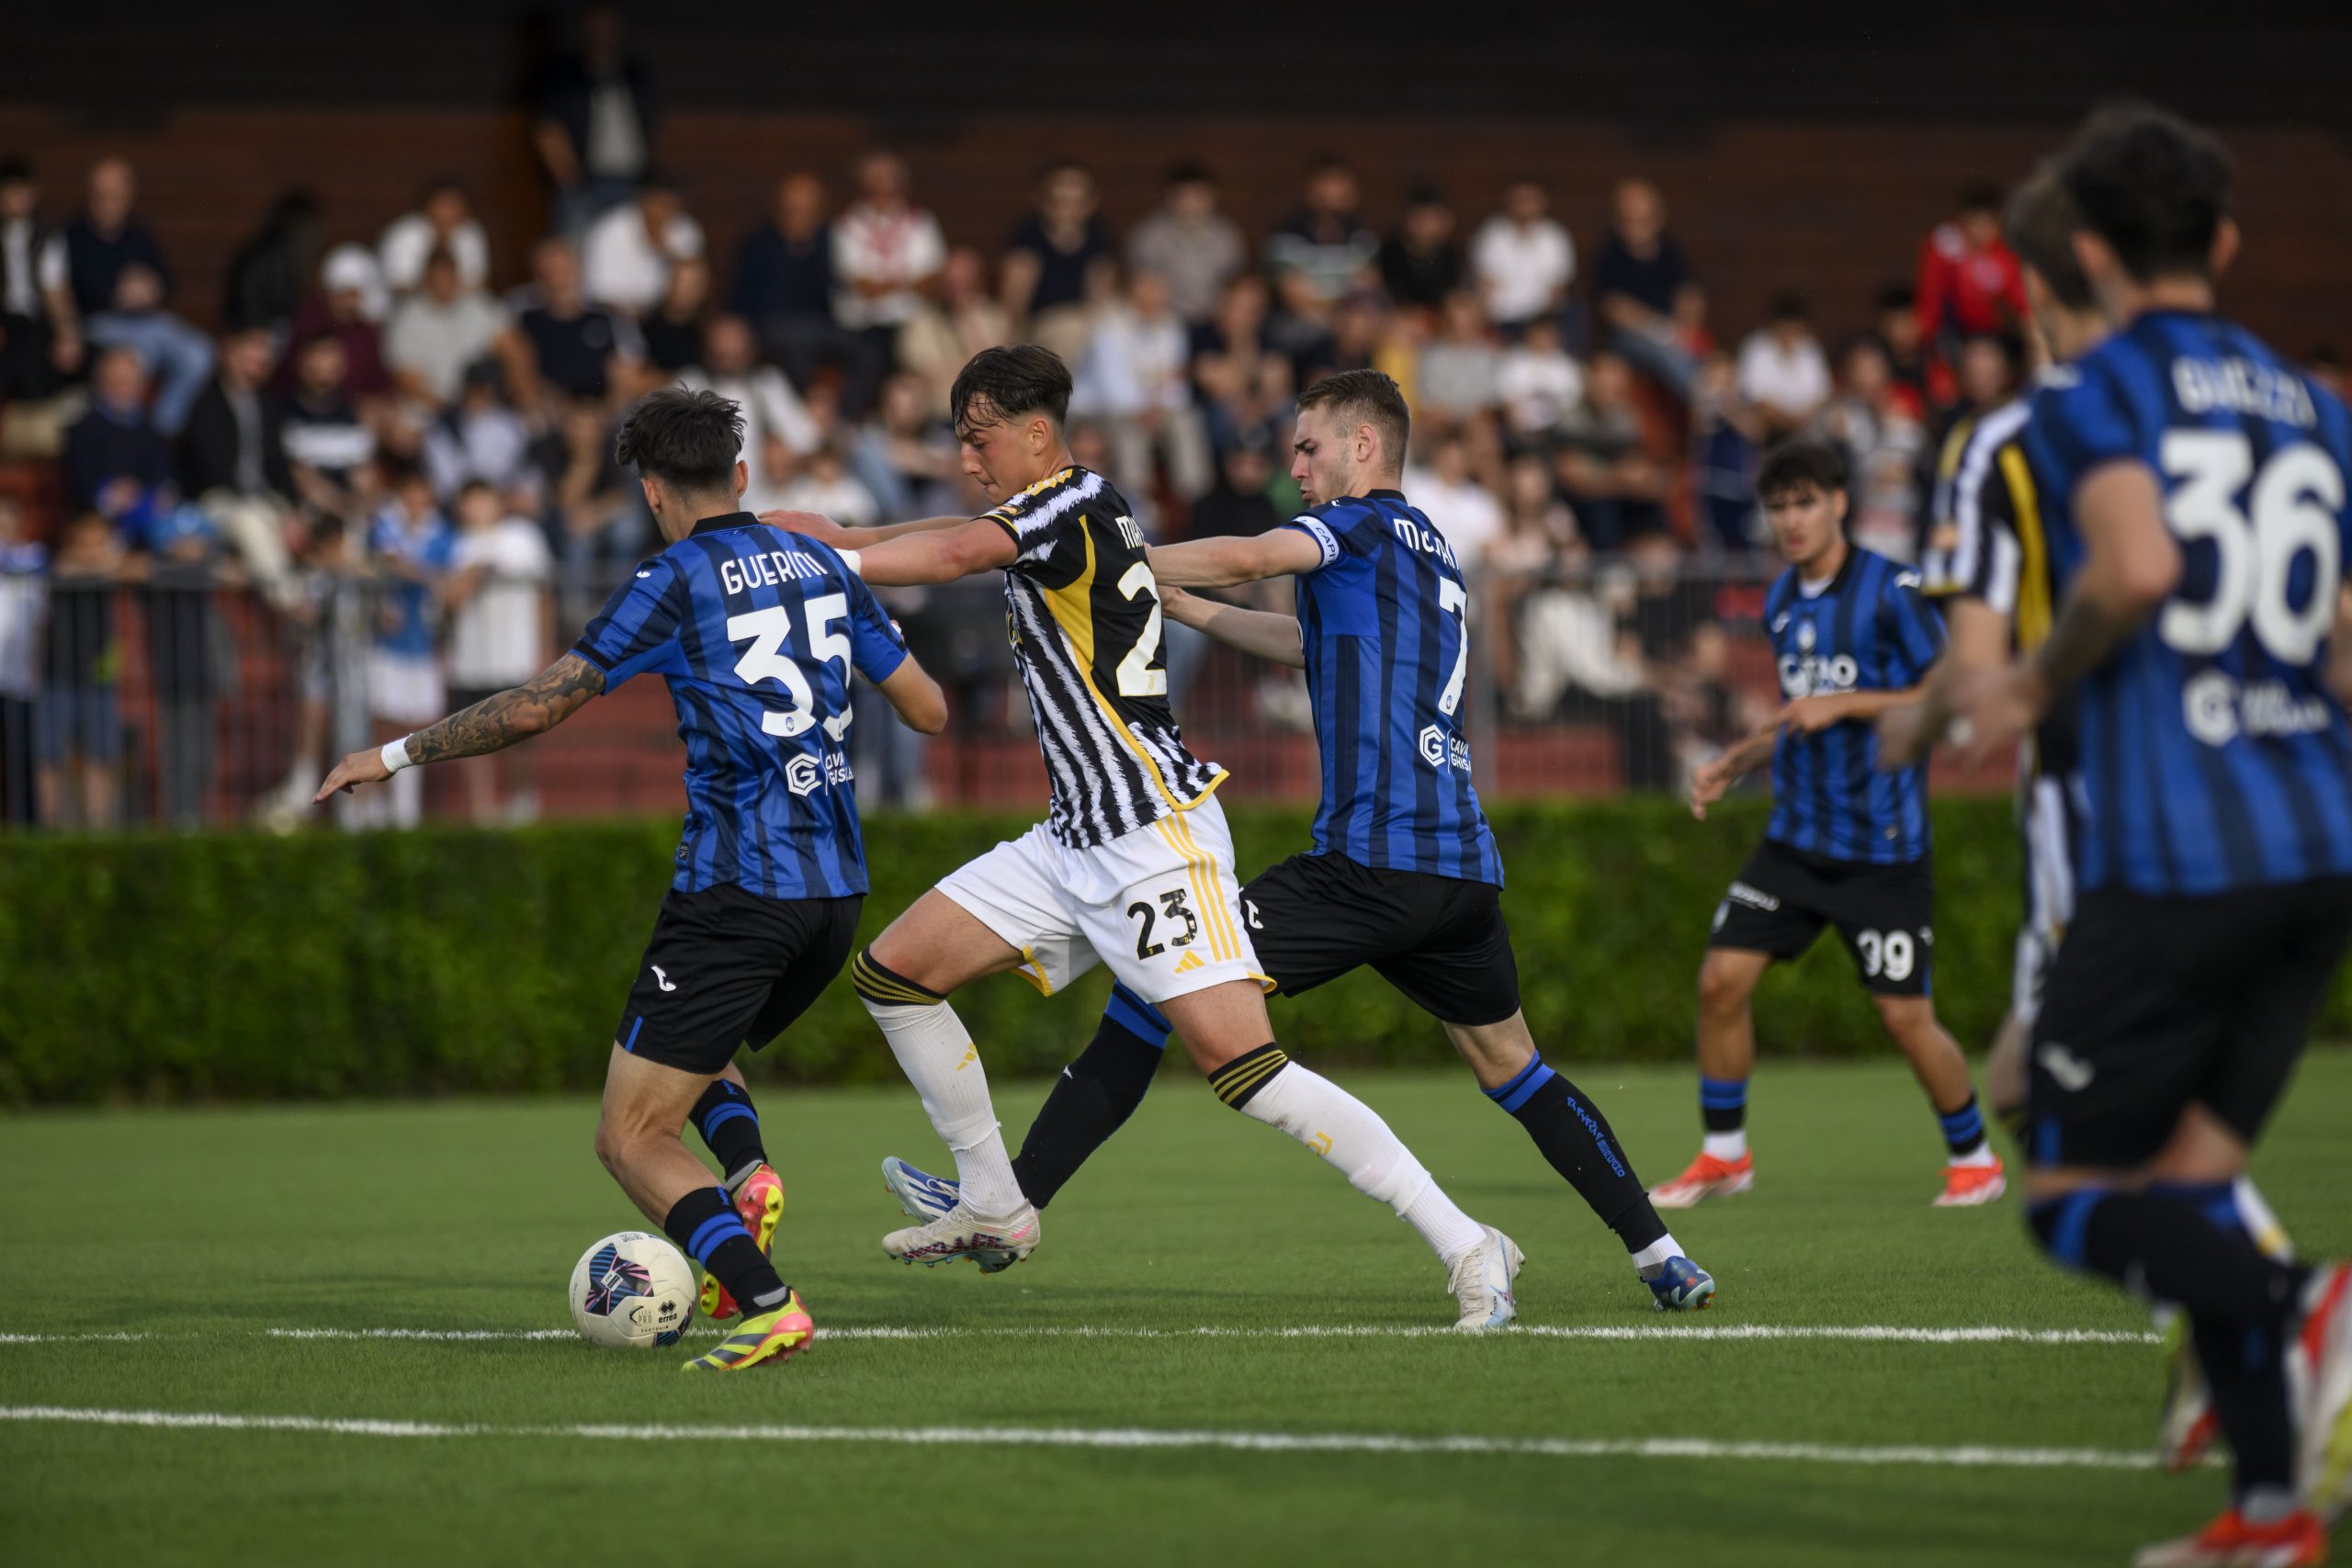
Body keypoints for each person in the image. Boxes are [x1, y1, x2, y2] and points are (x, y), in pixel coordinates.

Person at [876, 368, 1716, 1313]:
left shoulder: (1352, 525)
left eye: (1310, 449)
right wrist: (1181, 610)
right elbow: (1303, 649)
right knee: (1513, 1068)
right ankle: (1661, 1255)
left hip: (1369, 865)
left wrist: (1112, 555)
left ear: (1365, 447)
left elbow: (1246, 554)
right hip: (1457, 868)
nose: (1297, 467)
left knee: (1166, 1004)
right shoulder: (1426, 548)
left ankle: (1015, 1201)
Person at [767, 346, 1521, 1327]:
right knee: (895, 974)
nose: (966, 458)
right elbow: (927, 531)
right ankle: (995, 1200)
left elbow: (949, 555)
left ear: (1036, 435)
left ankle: (1468, 1244)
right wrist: (791, 534)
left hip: (1151, 835)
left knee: (1245, 1073)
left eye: (978, 438)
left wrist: (819, 558)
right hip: (1071, 837)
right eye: (958, 441)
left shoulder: (1070, 501)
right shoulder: (1039, 513)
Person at [317, 385, 948, 1372]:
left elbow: (537, 706)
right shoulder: (823, 562)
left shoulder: (674, 575)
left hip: (737, 886)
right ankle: (743, 1171)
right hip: (835, 890)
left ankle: (767, 1302)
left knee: (629, 1137)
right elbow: (928, 711)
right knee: (687, 1054)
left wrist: (391, 758)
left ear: (653, 491)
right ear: (741, 474)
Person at [1951, 106, 2352, 1564]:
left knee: (2067, 1198)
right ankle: (2269, 1511)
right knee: (2184, 1184)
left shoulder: (2090, 392)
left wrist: (2027, 681)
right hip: (2321, 845)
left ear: (2094, 253)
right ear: (2227, 243)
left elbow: (2136, 562)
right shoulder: (2316, 404)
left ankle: (2306, 1298)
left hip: (2179, 855)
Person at [1884, 161, 2293, 1487]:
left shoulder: (2033, 428)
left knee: (2049, 1134)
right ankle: (2267, 1461)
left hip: (2127, 810)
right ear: (2221, 239)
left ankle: (2285, 1318)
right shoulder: (2292, 407)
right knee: (2157, 1134)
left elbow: (1998, 649)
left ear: (2053, 282)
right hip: (2301, 818)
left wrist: (1930, 712)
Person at [1656, 438, 1995, 1211]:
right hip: (1795, 841)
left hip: (1881, 848)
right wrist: (1733, 761)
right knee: (1720, 981)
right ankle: (1724, 1155)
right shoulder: (1780, 600)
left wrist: (1848, 702)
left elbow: (1951, 695)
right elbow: (1798, 715)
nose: (1791, 520)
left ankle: (1975, 1156)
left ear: (1841, 501)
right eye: (1777, 507)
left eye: (1805, 502)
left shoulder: (1891, 589)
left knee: (1905, 1016)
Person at [441, 479, 554, 824]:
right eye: (469, 502)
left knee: (520, 734)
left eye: (482, 500)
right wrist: (470, 577)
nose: (476, 509)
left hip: (514, 655)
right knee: (472, 736)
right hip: (471, 660)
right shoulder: (456, 546)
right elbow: (450, 603)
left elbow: (544, 596)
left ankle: (523, 801)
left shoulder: (525, 538)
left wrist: (545, 649)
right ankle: (482, 811)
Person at [179, 327, 300, 607]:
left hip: (262, 498)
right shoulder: (206, 404)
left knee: (322, 522)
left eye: (262, 355)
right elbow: (212, 469)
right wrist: (269, 510)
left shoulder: (268, 405)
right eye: (250, 352)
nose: (258, 361)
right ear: (229, 354)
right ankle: (292, 601)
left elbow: (279, 464)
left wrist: (292, 511)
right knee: (251, 521)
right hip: (215, 500)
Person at [831, 152, 945, 416]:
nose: (882, 192)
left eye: (889, 184)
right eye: (875, 185)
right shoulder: (847, 225)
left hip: (914, 320)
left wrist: (884, 283)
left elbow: (932, 281)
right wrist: (908, 281)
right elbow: (862, 286)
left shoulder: (921, 222)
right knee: (874, 356)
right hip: (863, 323)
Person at [532, 1, 656, 239]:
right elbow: (548, 131)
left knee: (624, 251)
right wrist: (572, 181)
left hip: (632, 180)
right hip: (585, 183)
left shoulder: (635, 73)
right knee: (575, 250)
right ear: (584, 30)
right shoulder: (564, 75)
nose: (604, 33)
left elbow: (652, 125)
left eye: (610, 26)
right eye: (597, 27)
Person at [1592, 177, 1704, 398]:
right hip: (1630, 337)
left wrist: (1683, 329)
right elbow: (1615, 310)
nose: (1637, 228)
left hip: (1674, 332)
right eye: (1630, 220)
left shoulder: (1671, 252)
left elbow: (1690, 295)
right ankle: (1704, 399)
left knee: (1707, 355)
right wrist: (1662, 332)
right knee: (1665, 355)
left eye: (1645, 220)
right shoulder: (1610, 257)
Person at [0, 155, 82, 401]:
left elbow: (55, 289)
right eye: (8, 192)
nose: (14, 200)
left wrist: (67, 333)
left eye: (20, 192)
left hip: (35, 321)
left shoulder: (47, 237)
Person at [1124, 164, 1243, 327]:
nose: (1191, 205)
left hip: (1216, 323)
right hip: (1164, 322)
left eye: (1198, 196)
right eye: (1184, 196)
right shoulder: (1150, 237)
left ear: (1212, 197)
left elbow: (1236, 285)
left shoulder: (1226, 236)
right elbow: (1142, 288)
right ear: (1170, 198)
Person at [581, 175, 703, 319]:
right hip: (615, 319)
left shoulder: (684, 228)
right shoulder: (609, 230)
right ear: (642, 202)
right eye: (658, 205)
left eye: (670, 206)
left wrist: (669, 253)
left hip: (665, 319)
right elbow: (603, 297)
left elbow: (697, 283)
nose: (663, 213)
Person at [1469, 179, 1574, 340]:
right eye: (1518, 200)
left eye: (1530, 200)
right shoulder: (1491, 235)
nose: (1524, 206)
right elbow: (1485, 286)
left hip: (1540, 321)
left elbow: (1558, 290)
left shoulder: (1555, 236)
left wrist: (1546, 327)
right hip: (1502, 320)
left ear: (1543, 202)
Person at [1735, 292, 1832, 437]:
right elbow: (1755, 398)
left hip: (1806, 425)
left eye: (1796, 329)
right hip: (1768, 427)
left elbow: (1821, 396)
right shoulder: (1756, 347)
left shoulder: (1811, 348)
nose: (1790, 336)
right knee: (1751, 421)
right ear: (1774, 325)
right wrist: (1788, 421)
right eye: (1785, 329)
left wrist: (1802, 420)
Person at [378, 179, 490, 299]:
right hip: (411, 304)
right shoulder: (403, 234)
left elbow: (480, 282)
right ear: (427, 205)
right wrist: (439, 287)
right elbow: (400, 285)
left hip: (459, 304)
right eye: (444, 204)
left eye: (455, 204)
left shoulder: (471, 232)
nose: (449, 211)